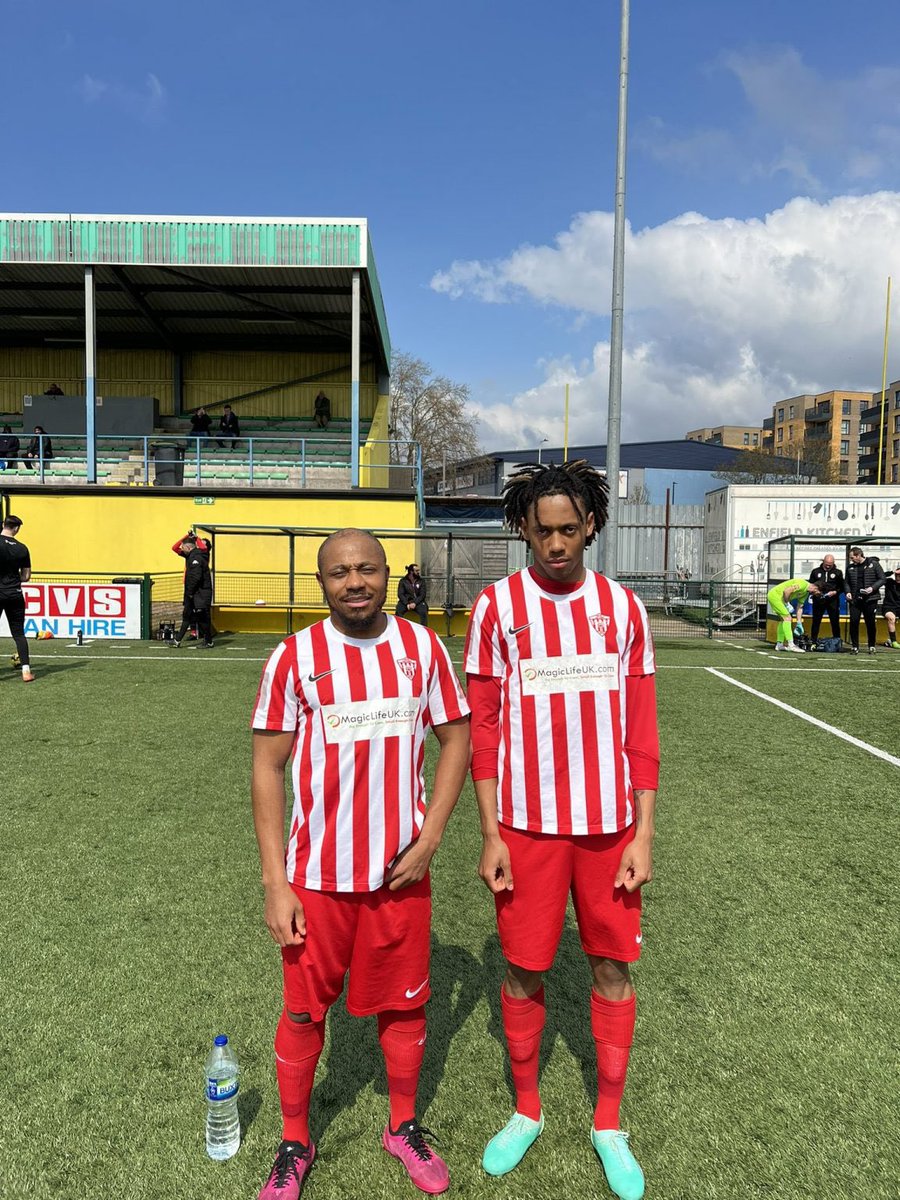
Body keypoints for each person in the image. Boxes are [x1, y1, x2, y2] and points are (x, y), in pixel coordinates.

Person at [250, 529, 470, 1200]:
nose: (355, 582)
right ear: (322, 582)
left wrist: (431, 836)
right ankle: (295, 1139)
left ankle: (401, 1127)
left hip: (399, 874)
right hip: (316, 878)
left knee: (404, 1008)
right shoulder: (295, 657)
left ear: (386, 575)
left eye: (367, 569)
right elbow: (267, 767)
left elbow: (456, 735)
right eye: (340, 572)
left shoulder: (421, 647)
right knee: (303, 1012)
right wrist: (274, 882)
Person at [464, 461, 659, 1200]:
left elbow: (641, 730)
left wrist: (642, 834)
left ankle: (609, 1123)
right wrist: (490, 832)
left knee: (611, 969)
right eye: (541, 530)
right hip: (527, 829)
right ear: (522, 528)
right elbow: (484, 729)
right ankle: (527, 1109)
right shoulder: (496, 609)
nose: (555, 544)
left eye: (568, 530)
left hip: (609, 831)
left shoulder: (623, 608)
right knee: (523, 971)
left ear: (591, 528)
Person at [0, 514, 35, 682]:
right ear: (17, 529)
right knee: (19, 634)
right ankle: (26, 672)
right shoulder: (22, 548)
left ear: (3, 525)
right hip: (15, 593)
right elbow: (26, 576)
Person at [172, 536, 214, 648]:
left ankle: (208, 641)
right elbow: (174, 548)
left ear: (188, 547)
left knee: (202, 618)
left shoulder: (201, 555)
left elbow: (196, 577)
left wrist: (196, 538)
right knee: (187, 615)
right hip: (192, 591)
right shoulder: (190, 555)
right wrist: (186, 537)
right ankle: (177, 640)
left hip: (198, 592)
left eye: (183, 547)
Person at [845, 546, 885, 655]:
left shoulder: (874, 564)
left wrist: (872, 588)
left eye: (852, 557)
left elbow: (882, 578)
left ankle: (871, 646)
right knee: (854, 622)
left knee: (870, 623)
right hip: (855, 600)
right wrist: (848, 592)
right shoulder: (850, 568)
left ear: (858, 555)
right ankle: (854, 646)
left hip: (870, 599)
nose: (851, 560)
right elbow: (846, 582)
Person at [766, 576, 820, 651]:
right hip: (775, 596)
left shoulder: (806, 593)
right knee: (788, 618)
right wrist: (787, 603)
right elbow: (787, 591)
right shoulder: (802, 584)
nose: (816, 594)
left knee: (783, 620)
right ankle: (791, 645)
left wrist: (799, 622)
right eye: (817, 592)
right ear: (815, 587)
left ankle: (779, 644)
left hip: (779, 598)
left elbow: (800, 607)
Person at [807, 554, 844, 642]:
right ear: (823, 561)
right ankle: (813, 641)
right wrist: (816, 593)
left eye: (830, 564)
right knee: (816, 621)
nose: (828, 566)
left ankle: (837, 641)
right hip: (818, 600)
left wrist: (835, 592)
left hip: (833, 600)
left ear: (833, 563)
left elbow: (841, 586)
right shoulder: (815, 571)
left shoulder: (838, 572)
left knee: (835, 621)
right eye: (826, 564)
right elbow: (810, 585)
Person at [881, 564, 900, 649]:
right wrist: (892, 572)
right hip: (889, 606)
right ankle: (893, 641)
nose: (898, 577)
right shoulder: (889, 582)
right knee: (891, 618)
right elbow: (881, 575)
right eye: (897, 575)